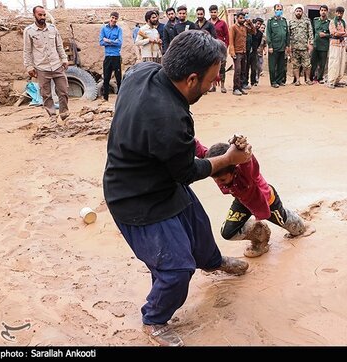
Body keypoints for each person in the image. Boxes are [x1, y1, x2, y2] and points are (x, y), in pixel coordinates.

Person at [103, 30, 252, 347]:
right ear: (192, 79)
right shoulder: (170, 118)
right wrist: (227, 159)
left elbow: (175, 159)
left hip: (158, 178)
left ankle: (212, 262)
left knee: (198, 225)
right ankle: (154, 318)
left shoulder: (143, 71)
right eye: (211, 80)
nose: (212, 87)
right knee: (176, 269)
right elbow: (187, 171)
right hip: (135, 199)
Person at [204, 142, 313, 258]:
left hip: (265, 202)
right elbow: (200, 151)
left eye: (222, 179)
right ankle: (260, 235)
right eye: (215, 180)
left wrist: (244, 151)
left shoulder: (245, 172)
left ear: (234, 169)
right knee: (228, 233)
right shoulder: (220, 169)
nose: (219, 183)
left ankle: (300, 224)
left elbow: (248, 163)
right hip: (243, 202)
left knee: (294, 227)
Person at [23, 5, 69, 122]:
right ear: (34, 15)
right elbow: (27, 51)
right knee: (46, 95)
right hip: (42, 68)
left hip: (57, 65)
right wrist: (29, 66)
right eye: (40, 15)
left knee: (63, 91)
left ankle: (64, 114)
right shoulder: (29, 31)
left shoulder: (53, 28)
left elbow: (59, 45)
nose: (43, 17)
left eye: (44, 15)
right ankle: (52, 116)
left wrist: (64, 59)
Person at [229, 12, 256, 96]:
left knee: (243, 71)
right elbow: (231, 41)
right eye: (240, 18)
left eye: (243, 18)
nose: (242, 19)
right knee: (237, 70)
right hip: (237, 52)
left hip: (244, 52)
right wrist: (232, 52)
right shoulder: (233, 27)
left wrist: (250, 23)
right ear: (237, 18)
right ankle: (235, 88)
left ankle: (240, 87)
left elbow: (253, 31)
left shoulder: (244, 27)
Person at [99, 11, 122, 102]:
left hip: (116, 56)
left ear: (117, 19)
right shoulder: (104, 29)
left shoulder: (119, 29)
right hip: (108, 56)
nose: (113, 20)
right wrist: (113, 41)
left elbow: (119, 43)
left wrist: (107, 41)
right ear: (110, 18)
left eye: (115, 18)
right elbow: (101, 42)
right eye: (112, 18)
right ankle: (105, 98)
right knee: (106, 78)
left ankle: (120, 98)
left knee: (118, 78)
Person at [288, 4, 313, 86]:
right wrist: (289, 46)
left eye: (300, 11)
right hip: (295, 48)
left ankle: (308, 79)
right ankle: (297, 80)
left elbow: (310, 33)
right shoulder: (291, 22)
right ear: (294, 12)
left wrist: (310, 44)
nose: (298, 12)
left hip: (305, 47)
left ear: (302, 12)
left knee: (307, 65)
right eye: (297, 11)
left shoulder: (307, 21)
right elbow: (288, 35)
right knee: (295, 65)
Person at [266, 3, 290, 88]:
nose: (279, 11)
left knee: (281, 66)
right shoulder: (270, 21)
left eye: (280, 9)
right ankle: (273, 82)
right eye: (277, 9)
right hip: (274, 47)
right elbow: (268, 34)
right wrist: (270, 46)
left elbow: (287, 34)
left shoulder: (284, 20)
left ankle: (279, 81)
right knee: (272, 67)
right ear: (274, 10)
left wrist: (287, 45)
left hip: (282, 47)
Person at [209, 4, 229, 93]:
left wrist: (226, 46)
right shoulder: (207, 23)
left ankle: (223, 86)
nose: (213, 14)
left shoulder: (222, 23)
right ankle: (213, 86)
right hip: (210, 49)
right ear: (209, 13)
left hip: (221, 49)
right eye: (212, 12)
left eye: (215, 12)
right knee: (211, 67)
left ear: (217, 12)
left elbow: (227, 35)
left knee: (222, 67)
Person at [326, 6, 347, 89]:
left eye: (341, 13)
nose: (339, 14)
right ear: (335, 13)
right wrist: (342, 33)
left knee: (342, 63)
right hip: (334, 44)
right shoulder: (332, 22)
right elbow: (334, 33)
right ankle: (331, 81)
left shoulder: (343, 22)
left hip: (342, 45)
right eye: (338, 12)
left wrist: (340, 33)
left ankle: (337, 81)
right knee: (334, 62)